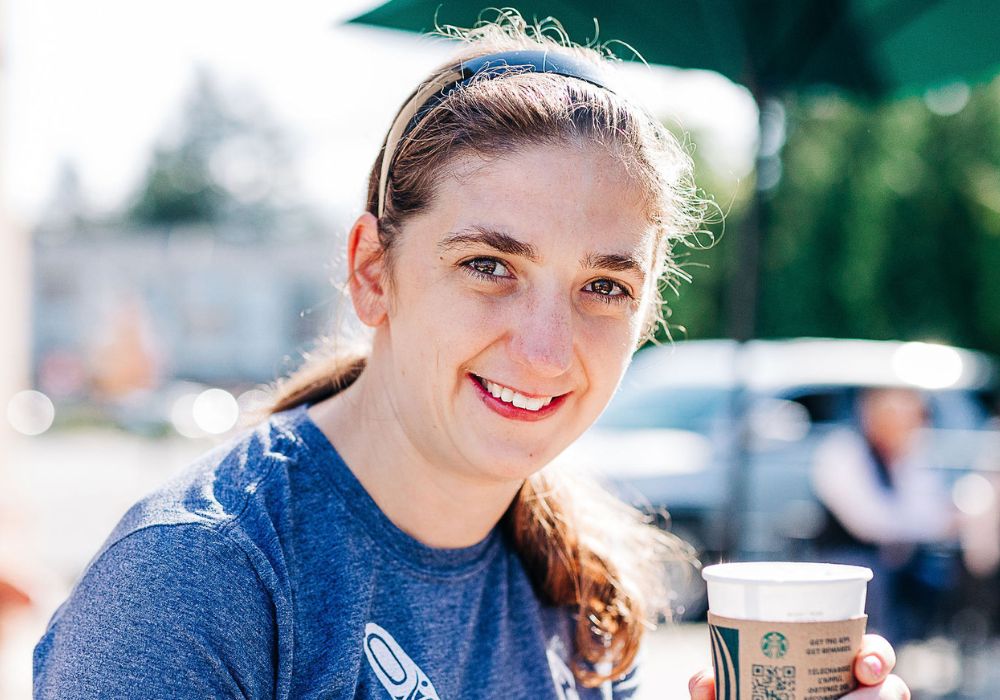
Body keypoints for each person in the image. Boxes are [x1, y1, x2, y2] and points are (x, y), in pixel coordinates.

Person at [34, 15, 909, 699]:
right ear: (373, 273)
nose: (545, 348)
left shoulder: (587, 601)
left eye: (604, 287)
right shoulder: (198, 580)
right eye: (489, 266)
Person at [812, 388, 961, 642]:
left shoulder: (909, 458)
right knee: (872, 578)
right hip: (845, 557)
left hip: (900, 558)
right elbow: (869, 522)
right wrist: (923, 524)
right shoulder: (843, 452)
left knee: (945, 574)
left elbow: (930, 510)